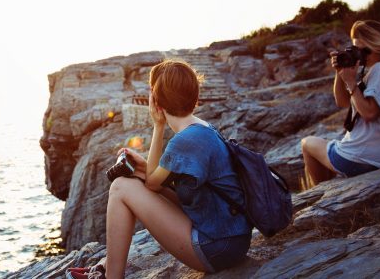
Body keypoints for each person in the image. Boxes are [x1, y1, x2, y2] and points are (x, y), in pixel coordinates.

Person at [66, 60, 252, 279]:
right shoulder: (203, 128)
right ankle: (110, 264)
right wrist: (144, 169)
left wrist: (158, 125)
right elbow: (163, 183)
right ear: (194, 95)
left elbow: (153, 184)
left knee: (120, 187)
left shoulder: (184, 141)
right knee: (136, 177)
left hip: (217, 247)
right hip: (232, 239)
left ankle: (112, 276)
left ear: (156, 100)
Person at [301, 20, 380, 189]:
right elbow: (343, 101)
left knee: (307, 143)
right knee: (328, 148)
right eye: (357, 50)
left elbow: (369, 113)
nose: (362, 56)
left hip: (363, 157)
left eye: (365, 50)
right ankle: (328, 190)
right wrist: (341, 72)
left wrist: (352, 84)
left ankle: (321, 193)